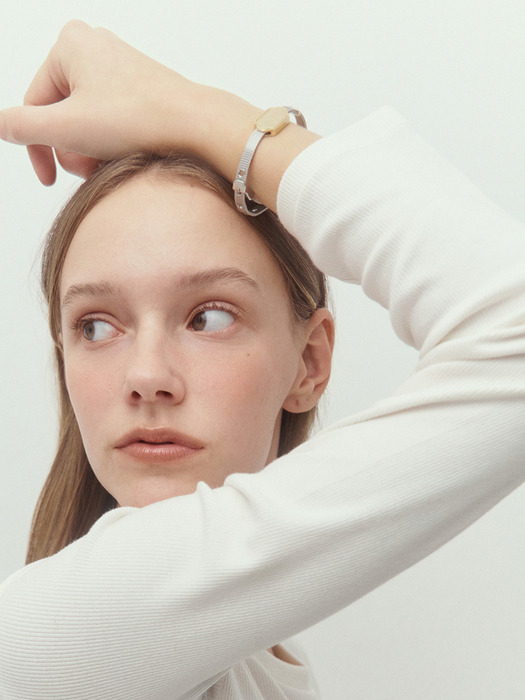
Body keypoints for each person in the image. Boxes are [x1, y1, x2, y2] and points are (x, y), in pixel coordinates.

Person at [0, 20, 524, 700]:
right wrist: (195, 110)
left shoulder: (250, 659)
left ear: (308, 362)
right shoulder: (76, 628)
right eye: (96, 325)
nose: (147, 377)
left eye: (208, 317)